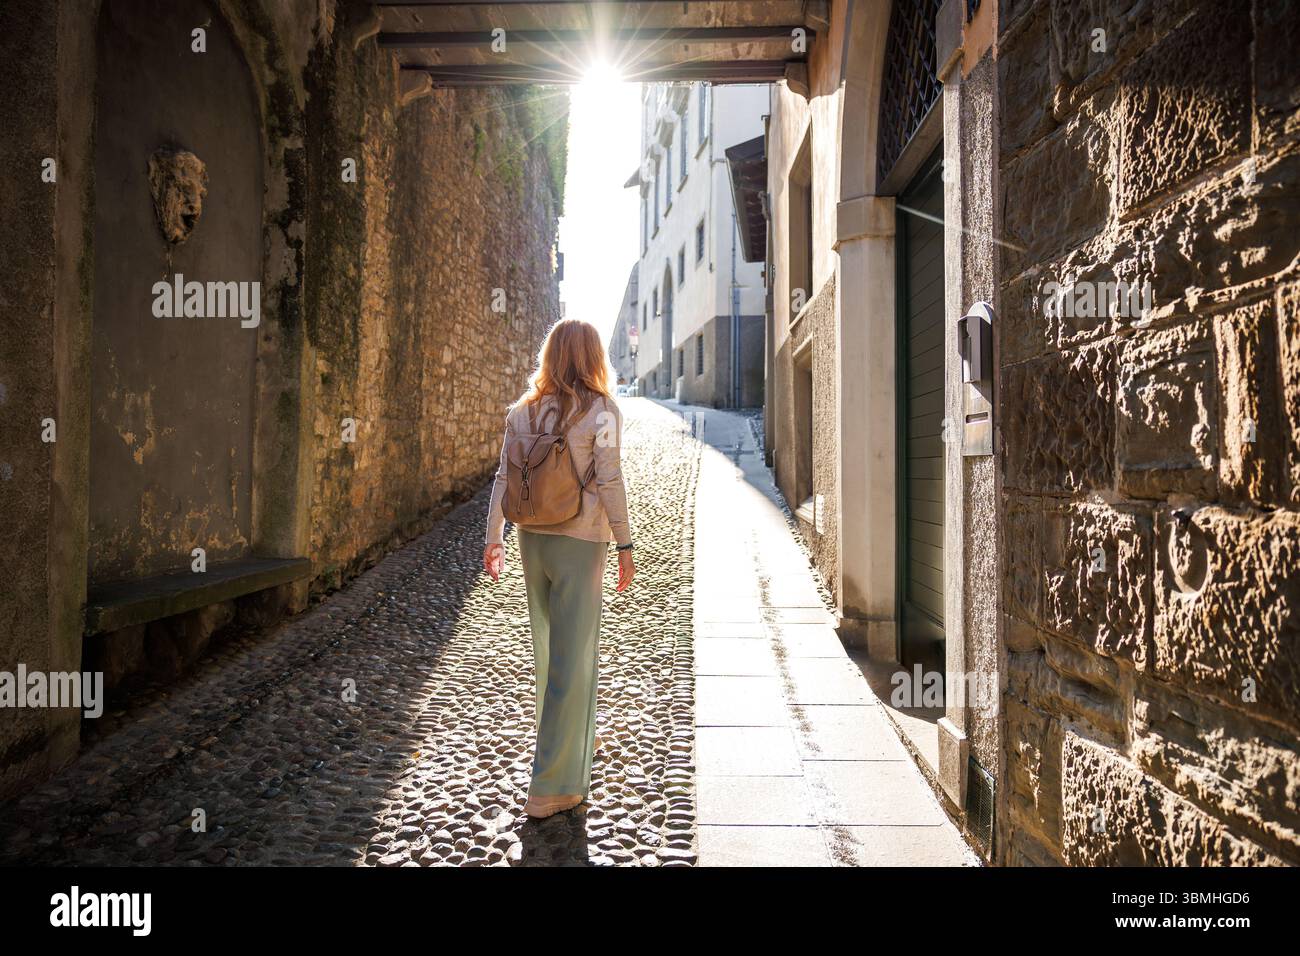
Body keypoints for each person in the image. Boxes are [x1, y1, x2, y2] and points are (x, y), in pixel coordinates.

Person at [483, 319, 635, 819]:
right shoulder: (602, 410)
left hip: (532, 539)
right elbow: (609, 479)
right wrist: (625, 543)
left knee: (551, 652)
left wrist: (493, 538)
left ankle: (576, 745)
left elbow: (505, 477)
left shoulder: (522, 410)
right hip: (579, 540)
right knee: (574, 657)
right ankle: (549, 788)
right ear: (593, 356)